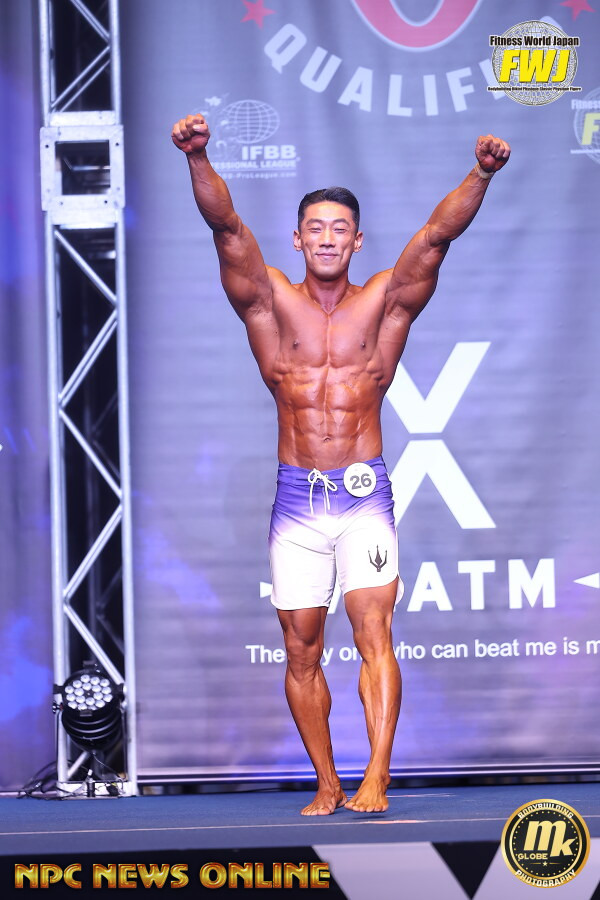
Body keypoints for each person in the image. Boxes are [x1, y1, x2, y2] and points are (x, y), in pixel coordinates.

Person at [172, 114, 510, 815]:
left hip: (364, 494)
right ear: (298, 239)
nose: (327, 238)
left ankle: (376, 776)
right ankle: (327, 782)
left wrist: (480, 174)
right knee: (301, 649)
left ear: (357, 241)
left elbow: (436, 237)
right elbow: (226, 228)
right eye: (315, 228)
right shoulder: (270, 302)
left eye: (340, 229)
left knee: (373, 632)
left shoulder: (384, 303)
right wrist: (198, 157)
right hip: (297, 499)